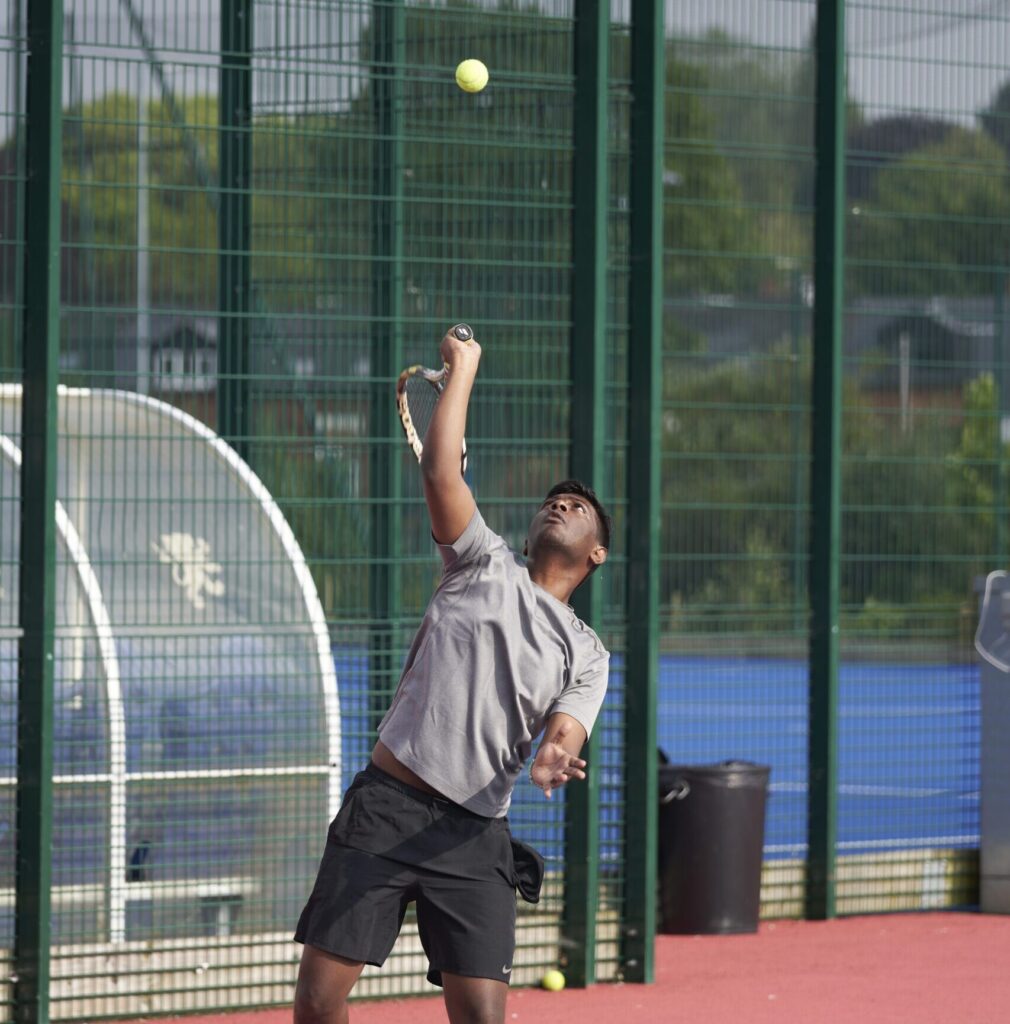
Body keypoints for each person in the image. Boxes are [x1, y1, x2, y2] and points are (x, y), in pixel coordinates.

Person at [293, 325, 612, 1024]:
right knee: (318, 1004)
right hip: (387, 807)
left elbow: (566, 730)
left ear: (596, 554)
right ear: (530, 535)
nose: (562, 505)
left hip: (474, 836)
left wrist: (558, 755)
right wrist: (464, 367)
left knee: (483, 1020)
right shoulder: (479, 559)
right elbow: (442, 472)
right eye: (553, 502)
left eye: (579, 508)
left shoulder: (588, 653)